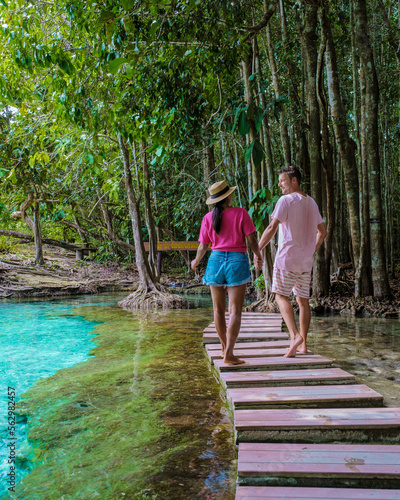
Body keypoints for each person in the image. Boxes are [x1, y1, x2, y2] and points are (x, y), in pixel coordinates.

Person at [255, 166, 327, 358]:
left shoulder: (285, 201)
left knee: (280, 297)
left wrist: (258, 250)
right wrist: (311, 250)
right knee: (303, 302)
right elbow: (323, 232)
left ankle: (295, 336)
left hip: (286, 259)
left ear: (294, 181)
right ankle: (302, 345)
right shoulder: (311, 202)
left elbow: (271, 227)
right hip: (305, 263)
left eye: (283, 180)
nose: (279, 184)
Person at [191, 180, 263, 365]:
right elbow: (252, 240)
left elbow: (203, 246)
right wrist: (258, 255)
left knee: (218, 310)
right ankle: (229, 353)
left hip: (215, 261)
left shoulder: (208, 218)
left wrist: (196, 261)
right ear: (228, 197)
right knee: (235, 311)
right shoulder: (241, 213)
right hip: (236, 261)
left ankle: (224, 348)